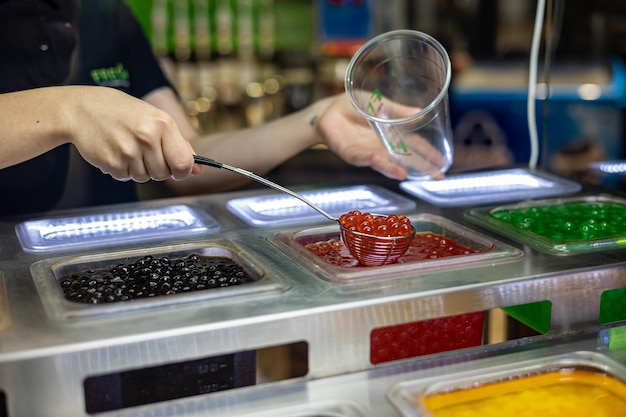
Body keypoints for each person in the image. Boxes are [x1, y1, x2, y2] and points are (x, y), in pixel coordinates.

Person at [0, 0, 439, 218]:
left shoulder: (105, 16)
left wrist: (315, 121)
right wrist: (67, 109)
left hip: (94, 266)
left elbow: (190, 159)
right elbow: (69, 109)